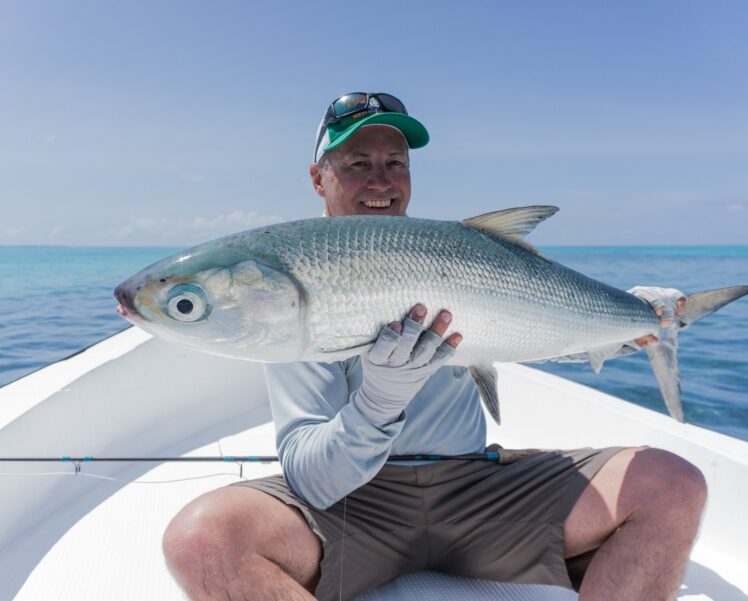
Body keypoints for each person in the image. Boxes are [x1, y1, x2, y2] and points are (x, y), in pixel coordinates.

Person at [162, 92, 707, 601]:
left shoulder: (455, 254)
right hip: (355, 505)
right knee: (202, 541)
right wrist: (377, 404)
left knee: (672, 484)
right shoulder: (296, 283)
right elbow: (312, 479)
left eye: (395, 163)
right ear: (318, 177)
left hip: (477, 491)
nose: (381, 181)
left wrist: (635, 328)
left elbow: (540, 331)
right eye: (356, 164)